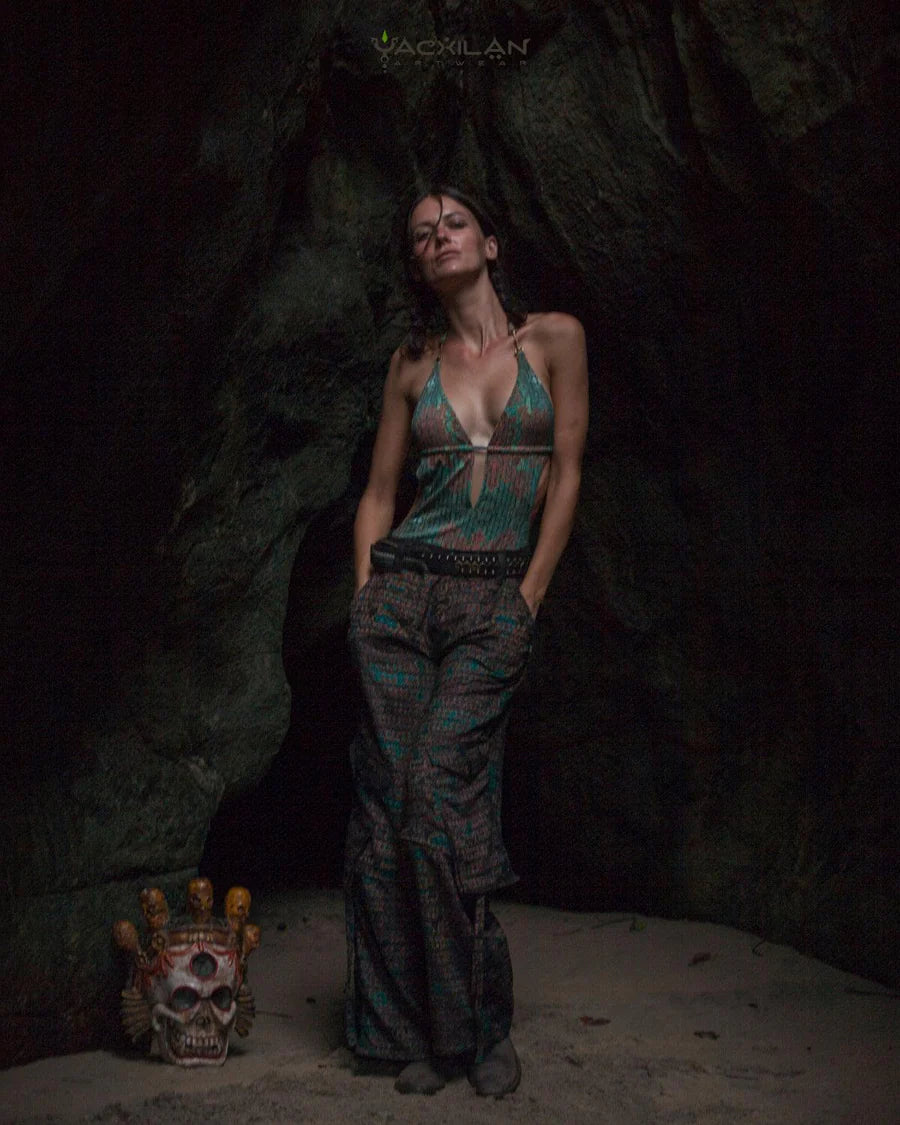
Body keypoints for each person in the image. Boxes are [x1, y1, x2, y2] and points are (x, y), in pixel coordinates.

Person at [344, 185, 588, 1097]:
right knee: (391, 805)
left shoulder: (555, 339)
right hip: (401, 598)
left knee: (442, 791)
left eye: (453, 223)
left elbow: (567, 473)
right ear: (417, 264)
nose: (438, 237)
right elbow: (379, 493)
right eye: (421, 234)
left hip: (493, 600)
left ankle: (480, 1026)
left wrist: (528, 598)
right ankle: (410, 1032)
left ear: (489, 242)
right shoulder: (411, 364)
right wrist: (365, 600)